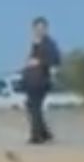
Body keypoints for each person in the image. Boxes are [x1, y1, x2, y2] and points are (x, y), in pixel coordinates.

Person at [19, 17, 61, 146]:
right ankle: (44, 133)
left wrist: (39, 62)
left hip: (40, 81)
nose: (39, 31)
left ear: (46, 29)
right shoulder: (35, 43)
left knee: (35, 107)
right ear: (33, 29)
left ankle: (37, 136)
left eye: (42, 28)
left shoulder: (49, 43)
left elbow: (55, 60)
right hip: (31, 80)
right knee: (31, 106)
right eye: (37, 28)